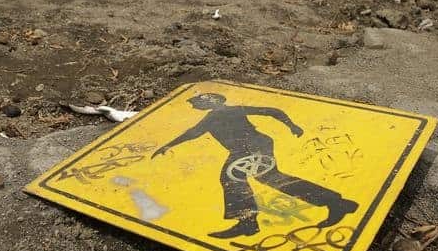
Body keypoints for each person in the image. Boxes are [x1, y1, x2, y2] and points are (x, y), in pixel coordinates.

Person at [153, 93, 358, 239]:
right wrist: (168, 144)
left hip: (252, 147)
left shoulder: (218, 114)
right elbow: (193, 133)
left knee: (233, 179)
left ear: (209, 102)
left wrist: (292, 125)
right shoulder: (215, 116)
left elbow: (270, 110)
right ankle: (336, 202)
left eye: (195, 102)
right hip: (248, 149)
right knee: (272, 179)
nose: (192, 106)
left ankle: (248, 223)